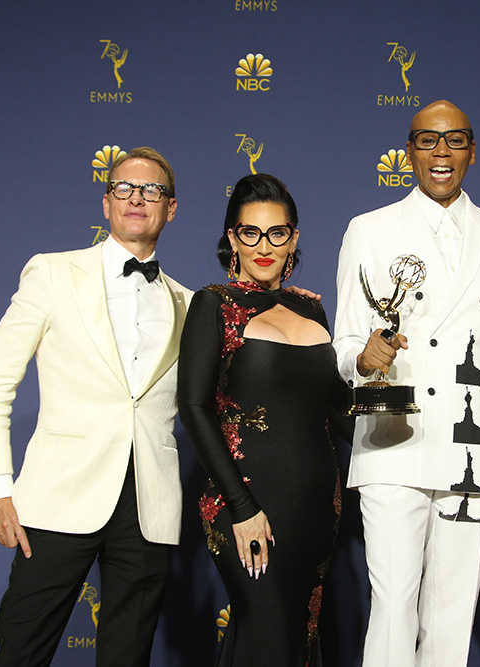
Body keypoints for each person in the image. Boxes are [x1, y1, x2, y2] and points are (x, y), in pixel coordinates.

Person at [0, 146, 191, 666]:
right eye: (124, 188)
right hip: (56, 497)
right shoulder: (52, 273)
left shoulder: (187, 300)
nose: (137, 198)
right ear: (106, 203)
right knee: (22, 648)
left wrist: (285, 302)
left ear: (171, 207)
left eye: (152, 190)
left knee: (127, 656)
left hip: (148, 507)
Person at [333, 100, 480, 667]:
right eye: (427, 141)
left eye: (455, 140)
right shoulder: (368, 229)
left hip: (474, 451)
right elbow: (345, 343)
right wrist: (364, 357)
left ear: (473, 150)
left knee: (453, 615)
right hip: (393, 442)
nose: (441, 153)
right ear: (409, 151)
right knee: (392, 606)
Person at [178, 174, 343, 666]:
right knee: (266, 627)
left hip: (318, 506)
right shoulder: (214, 303)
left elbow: (335, 408)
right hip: (247, 505)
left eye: (277, 232)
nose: (264, 246)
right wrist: (242, 507)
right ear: (233, 238)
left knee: (296, 636)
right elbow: (194, 408)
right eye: (250, 232)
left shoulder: (312, 307)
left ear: (293, 237)